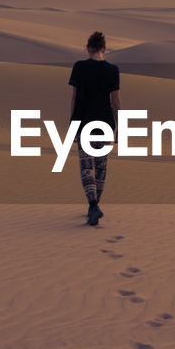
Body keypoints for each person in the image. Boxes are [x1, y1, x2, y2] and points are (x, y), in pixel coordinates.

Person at [68, 32, 120, 226]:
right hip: (105, 123)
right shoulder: (113, 70)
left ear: (88, 48)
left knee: (86, 165)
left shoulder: (79, 67)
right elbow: (116, 102)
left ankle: (92, 205)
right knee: (100, 166)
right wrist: (120, 128)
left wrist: (72, 124)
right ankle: (95, 204)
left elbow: (74, 98)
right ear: (104, 49)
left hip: (83, 121)